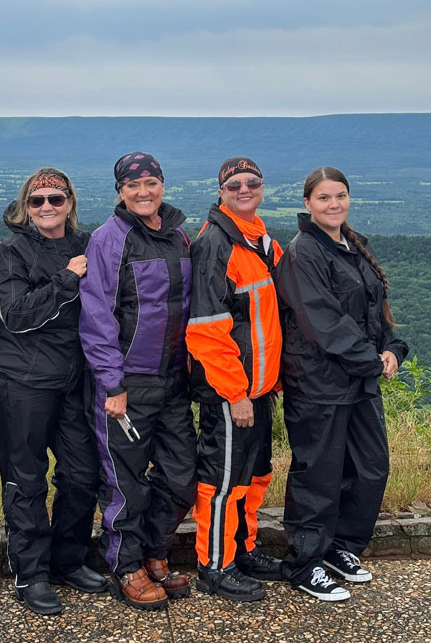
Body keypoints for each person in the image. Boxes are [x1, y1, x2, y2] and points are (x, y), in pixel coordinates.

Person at [274, 166, 408, 601]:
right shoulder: (303, 253)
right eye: (324, 197)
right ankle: (303, 563)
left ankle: (340, 547)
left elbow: (373, 311)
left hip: (359, 379)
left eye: (340, 195)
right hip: (318, 382)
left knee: (370, 466)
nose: (334, 204)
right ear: (307, 203)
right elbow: (323, 322)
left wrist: (392, 348)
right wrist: (371, 361)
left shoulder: (352, 245)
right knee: (320, 474)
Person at [0, 167, 107, 616]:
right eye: (38, 201)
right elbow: (15, 315)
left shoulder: (87, 244)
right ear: (27, 207)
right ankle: (31, 573)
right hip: (22, 381)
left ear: (70, 202)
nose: (47, 207)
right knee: (26, 479)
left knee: (83, 474)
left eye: (56, 198)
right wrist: (66, 280)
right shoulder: (12, 252)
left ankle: (67, 560)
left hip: (73, 379)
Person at [79, 151, 197, 611]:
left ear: (162, 185)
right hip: (127, 384)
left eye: (151, 183)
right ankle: (126, 566)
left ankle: (154, 551)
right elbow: (97, 316)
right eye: (133, 185)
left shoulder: (179, 235)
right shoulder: (109, 239)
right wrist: (112, 384)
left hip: (173, 381)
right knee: (124, 482)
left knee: (181, 476)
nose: (143, 192)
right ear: (120, 192)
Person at [186, 156, 284, 602]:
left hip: (259, 388)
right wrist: (235, 392)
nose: (244, 189)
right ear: (221, 192)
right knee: (223, 482)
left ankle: (243, 550)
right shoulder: (215, 244)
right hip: (231, 392)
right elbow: (207, 328)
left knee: (254, 475)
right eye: (234, 184)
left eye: (252, 182)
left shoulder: (261, 239)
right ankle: (214, 567)